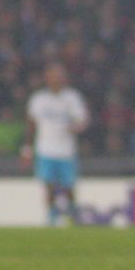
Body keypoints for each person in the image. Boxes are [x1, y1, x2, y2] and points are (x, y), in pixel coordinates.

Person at [20, 62, 89, 226]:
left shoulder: (72, 97)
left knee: (68, 187)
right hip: (46, 150)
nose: (56, 79)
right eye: (53, 75)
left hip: (66, 151)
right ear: (47, 78)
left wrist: (76, 127)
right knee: (48, 185)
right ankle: (52, 216)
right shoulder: (39, 99)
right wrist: (27, 149)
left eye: (59, 75)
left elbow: (83, 120)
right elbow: (31, 124)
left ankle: (72, 213)